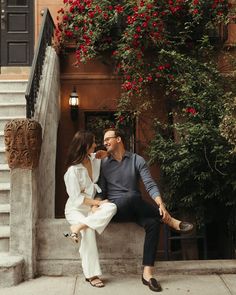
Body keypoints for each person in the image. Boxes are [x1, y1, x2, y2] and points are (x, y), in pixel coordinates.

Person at [99, 128, 193, 292]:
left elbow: (149, 184)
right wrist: (97, 205)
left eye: (108, 139)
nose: (105, 142)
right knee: (133, 196)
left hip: (135, 208)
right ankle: (171, 220)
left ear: (119, 139)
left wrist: (161, 204)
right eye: (104, 140)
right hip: (114, 210)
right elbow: (101, 191)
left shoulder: (137, 160)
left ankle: (147, 273)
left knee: (152, 223)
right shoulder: (104, 164)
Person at [63, 130, 117, 288]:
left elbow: (107, 154)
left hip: (92, 206)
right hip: (76, 209)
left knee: (112, 206)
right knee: (88, 232)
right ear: (84, 145)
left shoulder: (94, 158)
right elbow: (77, 199)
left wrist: (105, 153)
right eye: (93, 142)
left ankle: (78, 227)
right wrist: (96, 204)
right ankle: (91, 274)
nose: (95, 144)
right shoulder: (72, 172)